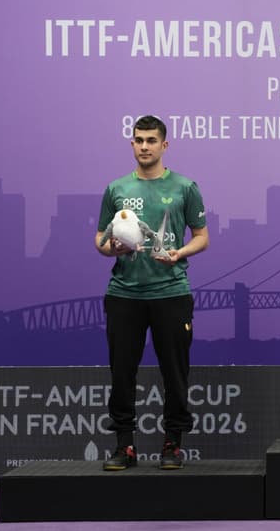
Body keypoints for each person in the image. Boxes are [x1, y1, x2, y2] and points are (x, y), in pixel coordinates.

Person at [95, 115, 209, 470]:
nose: (144, 146)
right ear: (132, 144)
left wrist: (180, 253)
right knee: (121, 373)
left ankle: (172, 444)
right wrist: (113, 248)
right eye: (138, 140)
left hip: (172, 293)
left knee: (175, 374)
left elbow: (202, 237)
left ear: (164, 145)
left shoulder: (185, 187)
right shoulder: (116, 189)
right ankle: (124, 447)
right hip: (124, 294)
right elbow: (100, 242)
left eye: (151, 140)